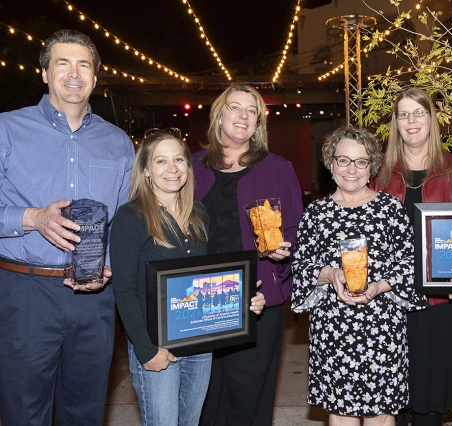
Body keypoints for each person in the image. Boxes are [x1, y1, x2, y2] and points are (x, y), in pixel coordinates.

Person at [0, 29, 134, 425]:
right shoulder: (6, 129)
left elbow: (125, 218)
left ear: (95, 76)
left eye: (84, 65)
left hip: (95, 298)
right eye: (63, 62)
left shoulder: (119, 142)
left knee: (86, 409)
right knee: (22, 410)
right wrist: (32, 218)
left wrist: (111, 264)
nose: (74, 73)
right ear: (44, 73)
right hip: (25, 292)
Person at [110, 129, 266, 425]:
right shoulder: (131, 217)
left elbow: (206, 278)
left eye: (179, 159)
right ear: (145, 170)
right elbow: (125, 290)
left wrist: (242, 298)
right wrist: (145, 350)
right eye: (160, 161)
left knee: (190, 421)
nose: (172, 169)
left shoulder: (199, 214)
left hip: (199, 343)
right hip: (156, 346)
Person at [292, 126, 427, 426]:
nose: (351, 169)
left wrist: (380, 285)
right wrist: (330, 273)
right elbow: (300, 267)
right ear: (330, 163)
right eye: (343, 160)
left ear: (372, 167)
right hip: (332, 328)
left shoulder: (390, 209)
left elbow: (412, 263)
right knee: (341, 415)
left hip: (383, 326)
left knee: (381, 415)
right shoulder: (316, 213)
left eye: (361, 161)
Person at [193, 83, 304, 426]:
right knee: (204, 388)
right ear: (219, 114)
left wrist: (286, 253)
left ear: (258, 122)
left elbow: (297, 229)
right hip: (201, 296)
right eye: (235, 107)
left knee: (248, 392)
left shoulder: (277, 167)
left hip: (257, 295)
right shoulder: (192, 166)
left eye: (251, 110)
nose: (243, 115)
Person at [370, 88, 452, 426]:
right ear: (396, 123)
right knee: (393, 396)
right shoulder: (379, 173)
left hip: (440, 302)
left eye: (419, 113)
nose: (411, 120)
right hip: (390, 301)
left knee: (430, 401)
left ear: (431, 119)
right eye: (404, 114)